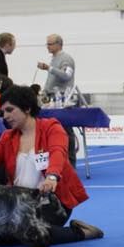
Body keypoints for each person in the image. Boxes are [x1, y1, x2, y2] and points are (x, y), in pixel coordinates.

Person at [0, 85, 103, 247]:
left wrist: (52, 177)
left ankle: (81, 231)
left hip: (50, 201)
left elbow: (58, 153)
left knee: (31, 231)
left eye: (10, 110)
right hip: (18, 202)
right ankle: (31, 230)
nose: (5, 116)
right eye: (3, 112)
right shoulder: (7, 137)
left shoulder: (52, 128)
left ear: (27, 108)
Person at [38, 33, 79, 166]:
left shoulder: (66, 58)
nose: (47, 47)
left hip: (63, 99)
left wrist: (49, 68)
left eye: (50, 44)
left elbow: (67, 76)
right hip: (51, 97)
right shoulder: (54, 59)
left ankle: (71, 162)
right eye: (47, 44)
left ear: (58, 44)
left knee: (66, 130)